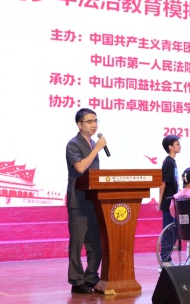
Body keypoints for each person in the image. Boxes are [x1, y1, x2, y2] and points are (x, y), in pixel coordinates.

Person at [65, 108, 105, 294]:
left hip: (94, 200)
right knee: (77, 243)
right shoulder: (73, 144)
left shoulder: (94, 143)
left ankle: (91, 276)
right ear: (79, 125)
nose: (94, 125)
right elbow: (80, 167)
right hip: (78, 201)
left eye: (95, 121)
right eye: (89, 121)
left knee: (95, 242)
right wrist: (96, 149)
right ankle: (76, 280)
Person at [158, 135, 181, 265]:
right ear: (170, 147)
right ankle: (165, 259)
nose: (180, 146)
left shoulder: (172, 162)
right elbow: (163, 184)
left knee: (173, 230)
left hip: (173, 201)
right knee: (168, 230)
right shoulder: (168, 162)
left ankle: (167, 257)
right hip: (168, 202)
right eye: (177, 144)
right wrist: (160, 201)